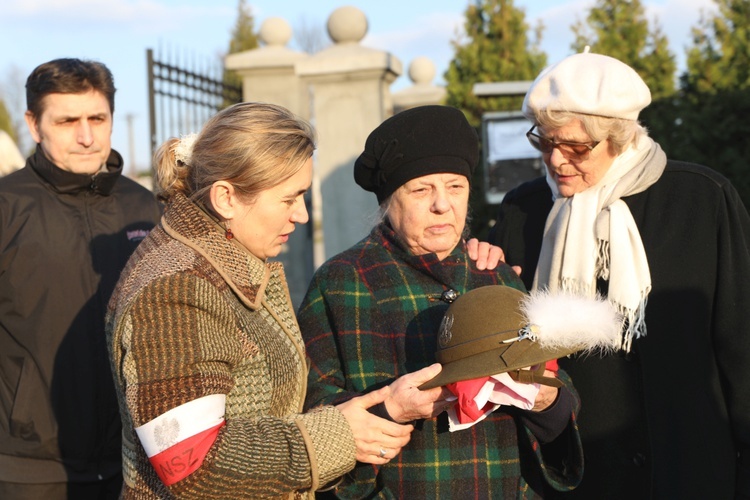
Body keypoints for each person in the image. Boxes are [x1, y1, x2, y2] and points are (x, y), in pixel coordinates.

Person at [105, 101, 484, 499]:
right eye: (289, 199)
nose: (301, 215)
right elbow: (192, 462)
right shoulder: (177, 289)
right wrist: (339, 433)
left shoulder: (224, 260)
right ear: (226, 198)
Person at [488, 50, 750, 499]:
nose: (555, 160)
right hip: (578, 474)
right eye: (545, 141)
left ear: (621, 137)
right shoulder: (523, 210)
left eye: (574, 147)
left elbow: (741, 343)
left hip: (692, 467)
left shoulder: (703, 200)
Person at [299, 105, 584, 499]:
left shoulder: (495, 274)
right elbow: (313, 415)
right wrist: (390, 410)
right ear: (388, 201)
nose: (442, 205)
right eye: (421, 190)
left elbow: (558, 388)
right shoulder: (341, 282)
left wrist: (549, 399)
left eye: (455, 187)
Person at [0, 58, 162, 499]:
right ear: (34, 125)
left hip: (135, 459)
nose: (87, 135)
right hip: (29, 468)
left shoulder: (147, 208)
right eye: (68, 120)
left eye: (97, 118)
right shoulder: (7, 207)